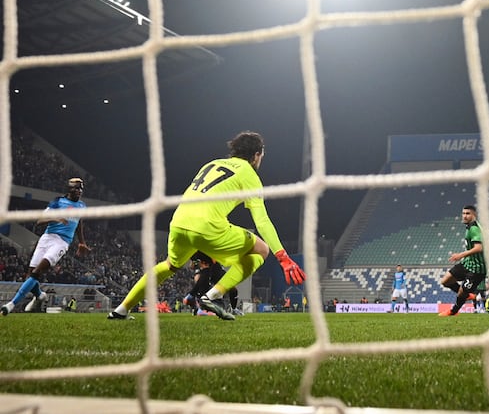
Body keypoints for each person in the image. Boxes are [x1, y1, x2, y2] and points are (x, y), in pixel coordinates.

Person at [108, 131, 305, 321]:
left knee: (168, 265)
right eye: (262, 155)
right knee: (261, 249)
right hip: (207, 226)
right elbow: (261, 221)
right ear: (256, 155)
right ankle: (213, 296)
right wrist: (283, 257)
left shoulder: (212, 163)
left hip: (179, 222)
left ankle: (121, 309)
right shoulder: (249, 174)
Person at [2, 177, 91, 316]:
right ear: (69, 188)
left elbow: (79, 223)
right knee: (30, 276)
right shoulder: (57, 202)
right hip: (47, 238)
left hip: (61, 242)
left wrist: (81, 242)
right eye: (76, 187)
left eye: (81, 188)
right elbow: (40, 221)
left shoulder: (82, 206)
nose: (79, 191)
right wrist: (55, 218)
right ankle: (40, 295)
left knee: (36, 273)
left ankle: (11, 304)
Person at [439, 205, 487, 317]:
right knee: (445, 281)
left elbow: (479, 248)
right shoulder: (473, 226)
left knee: (461, 291)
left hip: (476, 268)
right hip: (467, 263)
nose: (464, 216)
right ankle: (468, 295)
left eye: (467, 213)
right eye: (463, 213)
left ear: (474, 215)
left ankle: (453, 311)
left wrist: (461, 255)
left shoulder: (474, 228)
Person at [183, 251, 242, 316]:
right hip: (207, 267)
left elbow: (192, 265)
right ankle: (199, 307)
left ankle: (233, 309)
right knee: (200, 280)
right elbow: (192, 265)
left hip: (216, 269)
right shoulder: (199, 253)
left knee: (233, 288)